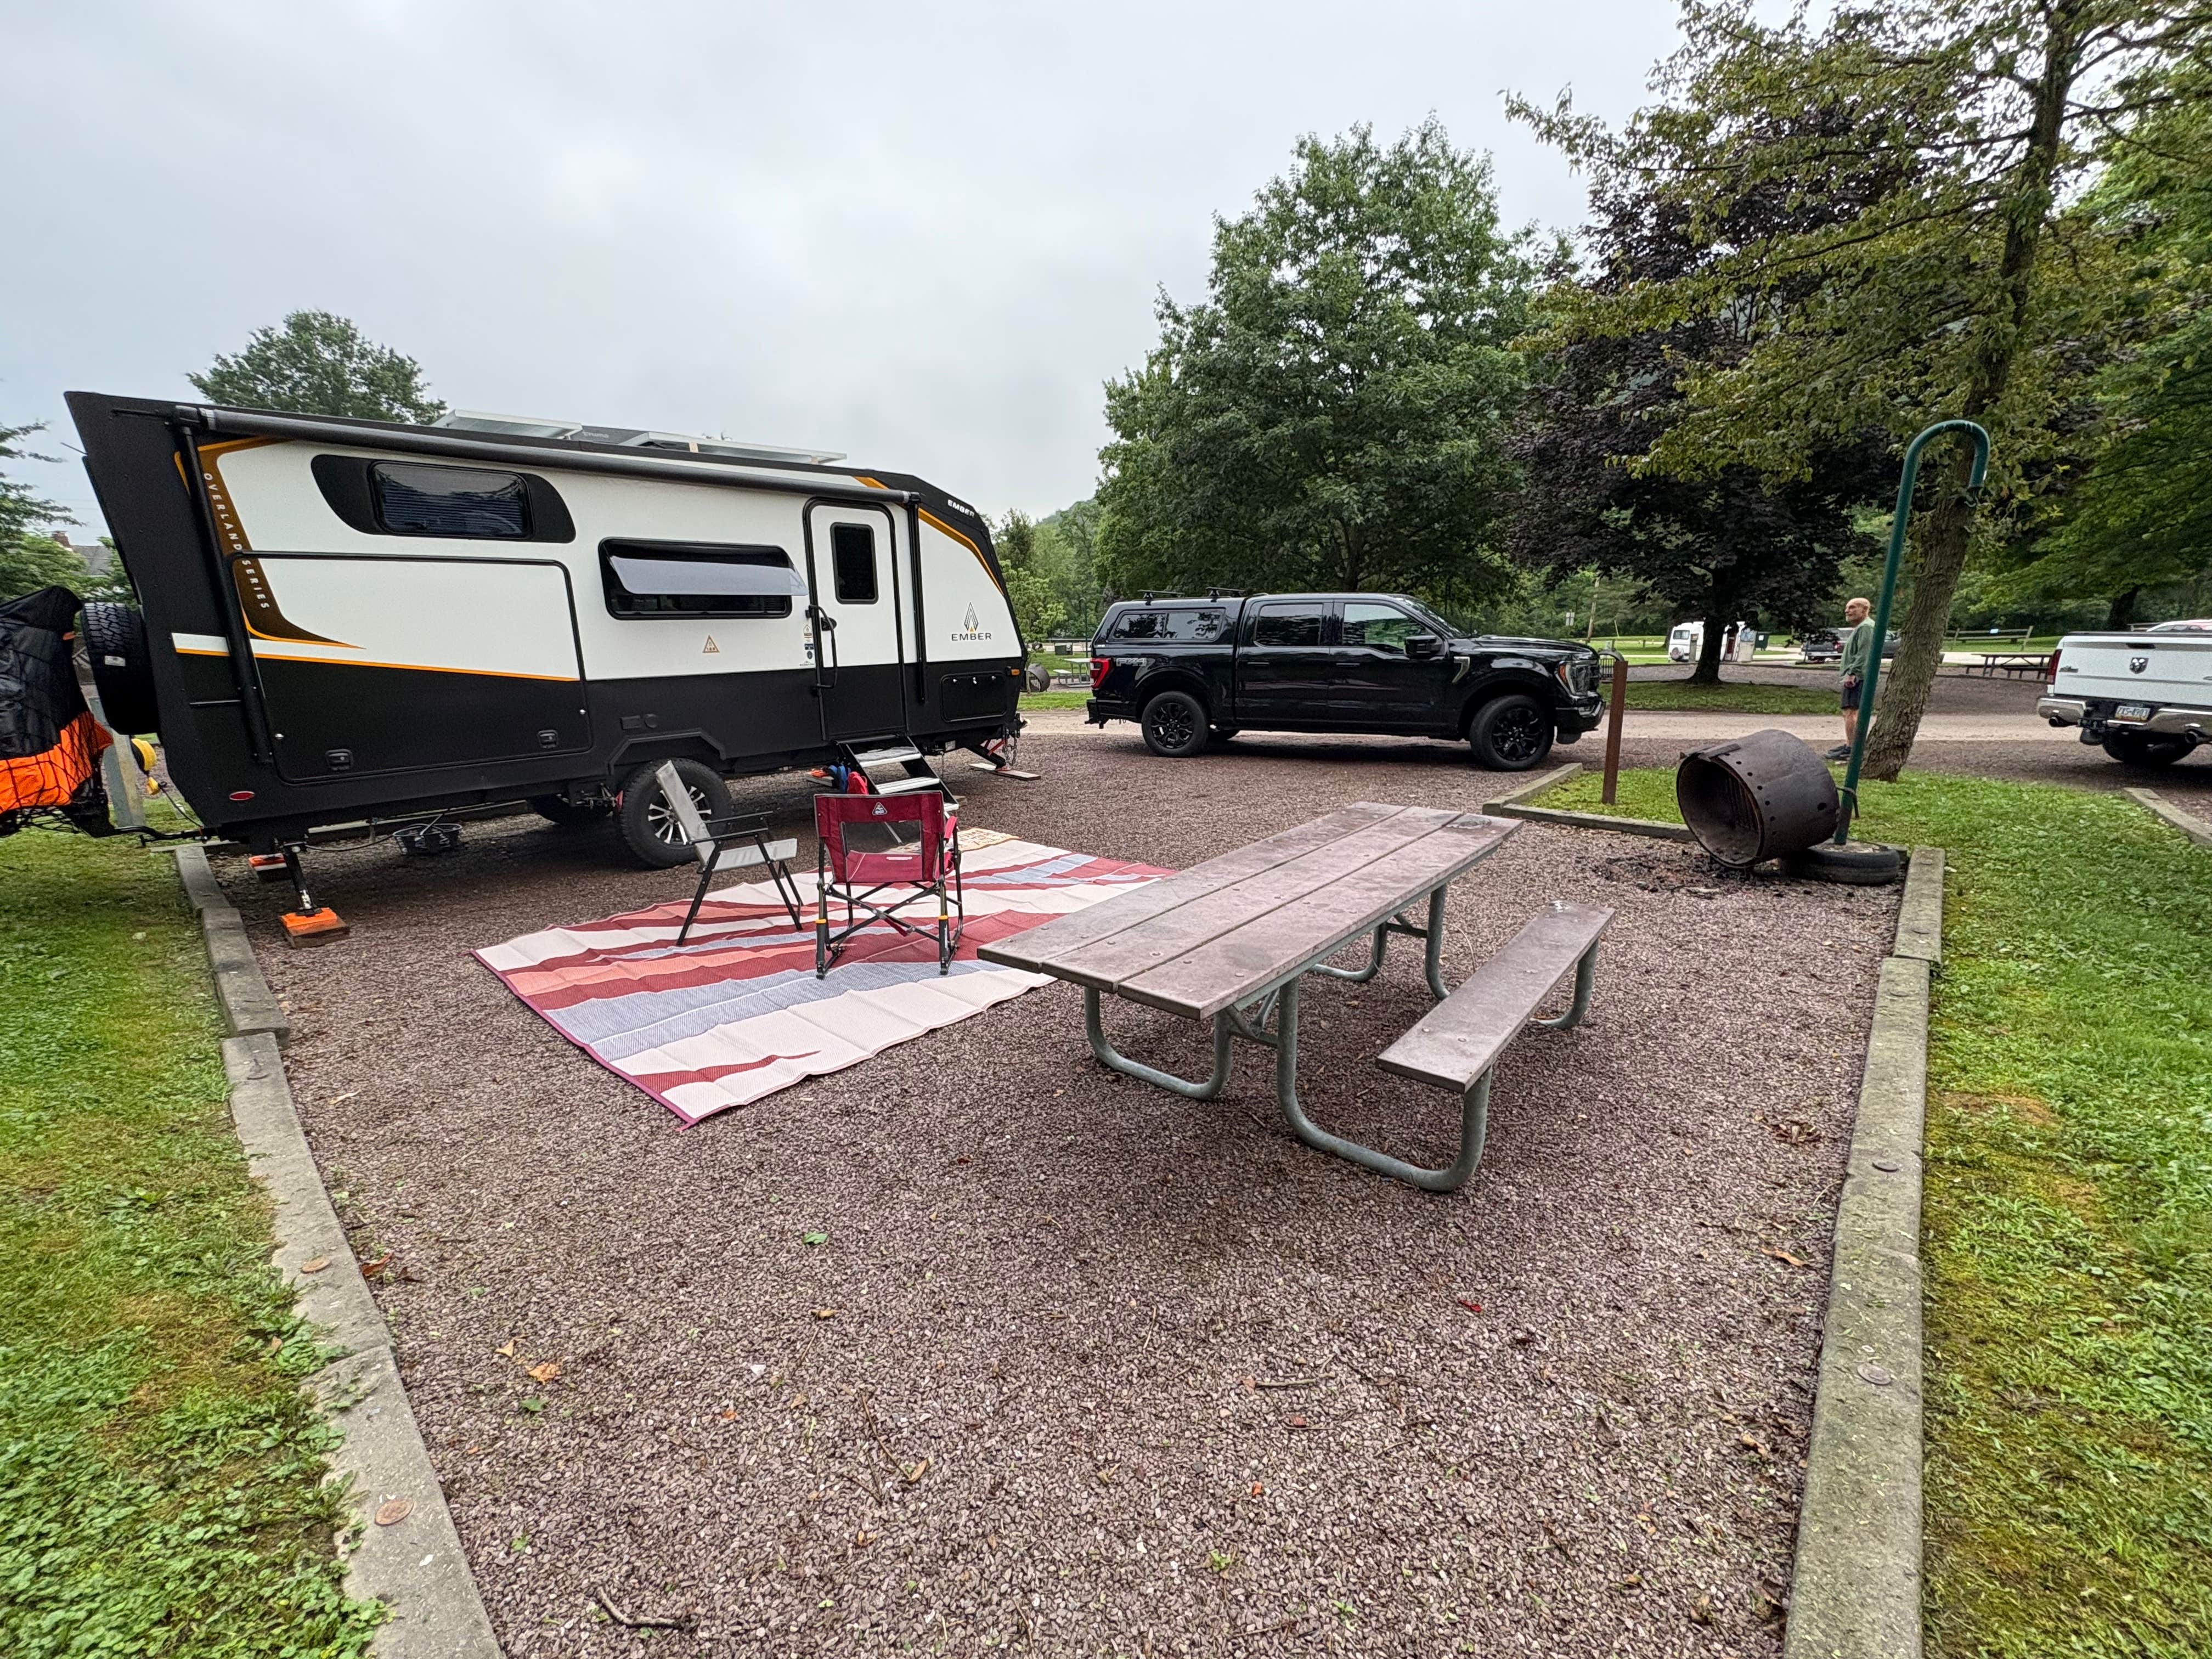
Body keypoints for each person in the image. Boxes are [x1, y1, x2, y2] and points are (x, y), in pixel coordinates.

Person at [1828, 597, 1875, 761]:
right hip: (1856, 675)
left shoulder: (1867, 628)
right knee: (1848, 711)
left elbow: (1864, 653)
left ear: (1865, 610)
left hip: (1858, 676)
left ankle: (1853, 749)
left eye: (1853, 607)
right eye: (1847, 607)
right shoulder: (1862, 628)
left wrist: (1852, 673)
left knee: (1851, 712)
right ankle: (1850, 744)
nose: (1847, 611)